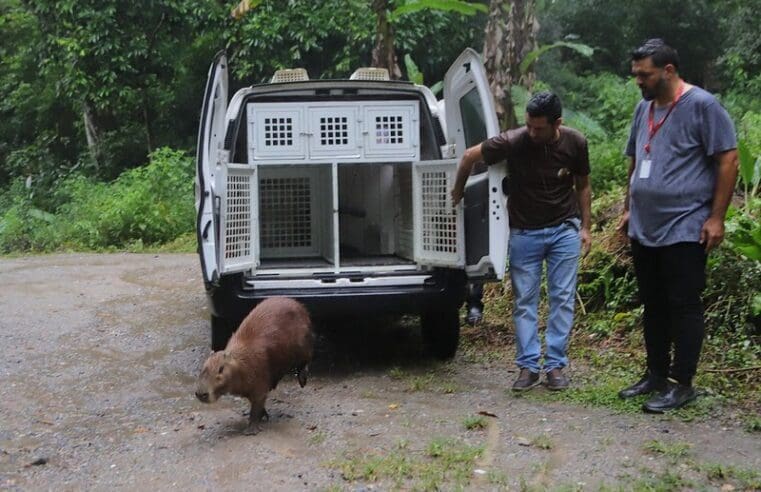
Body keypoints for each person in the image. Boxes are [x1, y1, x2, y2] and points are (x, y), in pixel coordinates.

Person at [617, 39, 738, 412]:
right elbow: (635, 161)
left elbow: (728, 160)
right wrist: (628, 207)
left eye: (645, 74)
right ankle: (655, 374)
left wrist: (716, 218)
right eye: (636, 74)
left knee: (683, 304)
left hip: (686, 224)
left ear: (668, 71)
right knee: (652, 303)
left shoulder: (702, 106)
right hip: (645, 226)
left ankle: (681, 383)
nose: (638, 80)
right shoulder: (643, 109)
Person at [451, 92, 592, 391]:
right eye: (528, 125)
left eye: (538, 128)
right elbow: (467, 157)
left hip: (564, 230)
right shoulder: (513, 141)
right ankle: (528, 366)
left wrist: (586, 227)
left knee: (562, 299)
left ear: (557, 124)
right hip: (525, 232)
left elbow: (583, 185)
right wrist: (457, 193)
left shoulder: (575, 142)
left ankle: (555, 366)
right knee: (525, 302)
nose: (532, 132)